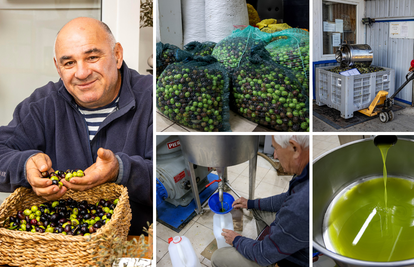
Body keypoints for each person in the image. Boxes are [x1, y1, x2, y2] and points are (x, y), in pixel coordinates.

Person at [0, 17, 152, 236]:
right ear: (58, 67)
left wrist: (121, 170)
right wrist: (24, 165)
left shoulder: (150, 99)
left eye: (92, 57)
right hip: (59, 249)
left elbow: (164, 178)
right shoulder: (42, 104)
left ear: (117, 55)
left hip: (134, 244)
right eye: (69, 63)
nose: (81, 73)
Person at [211, 135, 309, 267]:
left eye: (276, 149)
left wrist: (236, 240)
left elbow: (263, 253)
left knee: (217, 257)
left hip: (293, 258)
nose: (274, 156)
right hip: (294, 237)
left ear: (295, 148)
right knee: (257, 209)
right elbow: (286, 197)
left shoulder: (298, 209)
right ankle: (264, 245)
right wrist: (250, 203)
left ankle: (269, 261)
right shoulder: (306, 171)